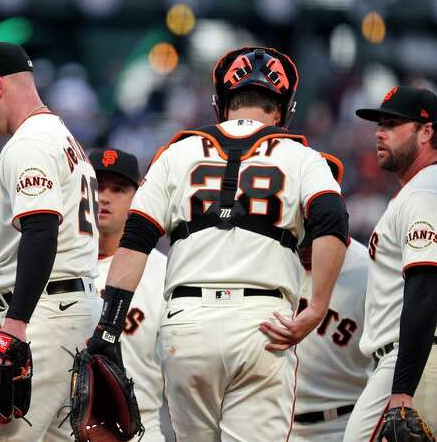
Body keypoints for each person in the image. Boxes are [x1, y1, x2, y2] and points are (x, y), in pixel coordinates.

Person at [84, 46, 349, 442]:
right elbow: (333, 219)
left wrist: (108, 326)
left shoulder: (177, 152)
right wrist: (317, 307)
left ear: (222, 105)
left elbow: (136, 238)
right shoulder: (301, 156)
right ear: (282, 110)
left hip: (187, 325)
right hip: (263, 323)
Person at [0, 41, 102, 441]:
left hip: (43, 318)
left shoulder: (29, 142)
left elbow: (42, 231)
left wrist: (14, 325)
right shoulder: (64, 138)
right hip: (73, 311)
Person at [0, 147, 171, 441]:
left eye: (119, 188)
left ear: (137, 196)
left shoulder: (162, 272)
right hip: (58, 431)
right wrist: (25, 367)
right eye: (98, 187)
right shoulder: (52, 263)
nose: (105, 197)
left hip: (136, 430)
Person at [343, 86, 437, 441]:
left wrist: (402, 392)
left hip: (411, 363)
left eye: (393, 123)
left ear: (427, 131)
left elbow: (426, 290)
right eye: (378, 124)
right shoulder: (420, 190)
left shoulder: (425, 191)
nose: (379, 133)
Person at [290, 155, 373, 442]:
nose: (306, 244)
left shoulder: (368, 271)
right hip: (270, 423)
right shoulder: (270, 257)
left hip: (344, 425)